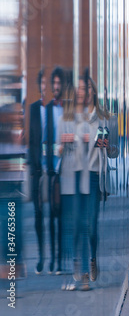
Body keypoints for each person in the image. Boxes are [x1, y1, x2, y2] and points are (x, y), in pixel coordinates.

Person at [58, 76, 91, 291]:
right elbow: (57, 150)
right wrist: (63, 144)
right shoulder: (64, 118)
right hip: (69, 175)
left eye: (83, 88)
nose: (80, 91)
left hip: (88, 175)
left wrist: (92, 141)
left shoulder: (93, 117)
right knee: (70, 226)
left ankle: (86, 271)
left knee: (85, 225)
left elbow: (105, 146)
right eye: (77, 88)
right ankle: (74, 269)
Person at [85, 74, 119, 283]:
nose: (84, 93)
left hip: (93, 175)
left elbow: (115, 152)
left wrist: (109, 147)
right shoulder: (69, 118)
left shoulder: (106, 118)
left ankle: (92, 258)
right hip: (73, 174)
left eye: (88, 89)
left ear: (94, 92)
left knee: (90, 222)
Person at [45, 66, 66, 274]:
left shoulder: (69, 111)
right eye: (55, 83)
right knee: (53, 216)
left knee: (67, 218)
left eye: (60, 83)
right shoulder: (47, 110)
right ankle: (55, 259)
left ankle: (63, 258)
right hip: (52, 171)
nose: (57, 87)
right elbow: (44, 140)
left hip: (67, 170)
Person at [29, 68, 47, 274]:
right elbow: (32, 141)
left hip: (57, 169)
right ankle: (42, 256)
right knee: (39, 214)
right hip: (38, 169)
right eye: (42, 83)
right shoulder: (34, 109)